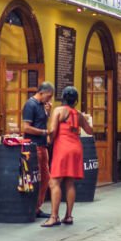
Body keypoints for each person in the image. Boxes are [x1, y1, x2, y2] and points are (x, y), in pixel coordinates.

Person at [43, 86, 93, 227]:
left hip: (62, 148)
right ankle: (69, 216)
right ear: (75, 100)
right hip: (76, 147)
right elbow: (90, 131)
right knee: (70, 183)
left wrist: (48, 141)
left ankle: (54, 217)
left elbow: (52, 130)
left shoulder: (58, 111)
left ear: (63, 97)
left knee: (54, 182)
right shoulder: (77, 114)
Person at [22, 82, 55, 219]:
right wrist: (45, 132)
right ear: (42, 92)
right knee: (38, 177)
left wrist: (49, 112)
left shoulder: (42, 105)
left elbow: (41, 121)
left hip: (42, 146)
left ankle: (37, 207)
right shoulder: (30, 105)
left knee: (45, 177)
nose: (50, 99)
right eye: (49, 95)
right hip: (34, 146)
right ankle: (33, 207)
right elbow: (26, 128)